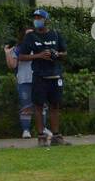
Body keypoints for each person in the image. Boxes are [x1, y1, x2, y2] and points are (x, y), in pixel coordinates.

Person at [18, 8, 68, 146]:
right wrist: (38, 55)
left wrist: (56, 54)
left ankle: (56, 136)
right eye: (35, 18)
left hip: (55, 75)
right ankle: (41, 137)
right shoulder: (30, 37)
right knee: (38, 106)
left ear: (46, 20)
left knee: (55, 105)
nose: (37, 20)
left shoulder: (56, 35)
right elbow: (21, 56)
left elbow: (65, 53)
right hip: (39, 76)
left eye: (40, 18)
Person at [4, 22, 42, 139]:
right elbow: (12, 65)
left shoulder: (40, 46)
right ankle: (26, 130)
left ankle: (42, 129)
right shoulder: (18, 48)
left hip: (39, 79)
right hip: (24, 80)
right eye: (27, 34)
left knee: (42, 105)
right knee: (26, 106)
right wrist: (7, 54)